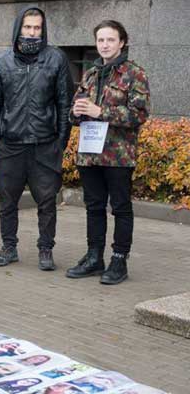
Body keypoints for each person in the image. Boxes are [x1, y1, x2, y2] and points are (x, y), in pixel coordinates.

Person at [0, 6, 73, 271]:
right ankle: (8, 247)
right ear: (18, 28)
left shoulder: (56, 59)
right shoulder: (2, 63)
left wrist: (60, 142)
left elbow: (64, 103)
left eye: (37, 28)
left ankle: (46, 249)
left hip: (44, 144)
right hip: (9, 146)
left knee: (47, 202)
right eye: (27, 27)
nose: (32, 32)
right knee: (7, 201)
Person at [66, 20, 150, 285]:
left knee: (121, 208)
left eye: (110, 40)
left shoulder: (134, 73)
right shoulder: (91, 73)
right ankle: (94, 257)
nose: (105, 45)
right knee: (93, 207)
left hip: (118, 155)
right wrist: (76, 112)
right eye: (100, 40)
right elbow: (74, 111)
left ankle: (119, 259)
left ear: (122, 42)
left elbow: (139, 114)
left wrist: (101, 112)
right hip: (89, 153)